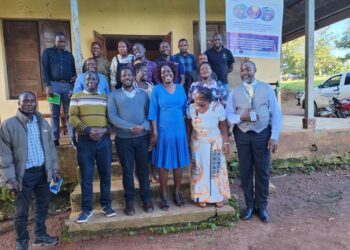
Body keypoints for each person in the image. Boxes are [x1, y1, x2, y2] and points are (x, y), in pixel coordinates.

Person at [0, 91, 60, 249]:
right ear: (19, 104)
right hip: (23, 176)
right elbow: (4, 156)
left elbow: (51, 149)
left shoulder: (42, 123)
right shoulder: (8, 125)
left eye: (32, 101)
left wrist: (53, 169)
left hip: (42, 173)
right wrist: (10, 179)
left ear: (36, 103)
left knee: (42, 206)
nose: (29, 103)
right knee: (21, 213)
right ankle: (22, 244)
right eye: (25, 101)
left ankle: (40, 235)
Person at [226, 61, 282, 223]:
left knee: (262, 170)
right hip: (242, 135)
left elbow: (275, 113)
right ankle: (249, 206)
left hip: (262, 134)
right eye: (242, 70)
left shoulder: (267, 89)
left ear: (255, 70)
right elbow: (228, 115)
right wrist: (240, 118)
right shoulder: (234, 92)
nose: (245, 72)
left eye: (248, 69)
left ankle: (262, 206)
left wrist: (274, 135)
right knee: (245, 171)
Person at [69, 71, 115, 223]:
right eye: (88, 79)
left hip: (104, 141)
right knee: (86, 177)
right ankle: (87, 209)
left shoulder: (105, 98)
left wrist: (102, 130)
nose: (91, 81)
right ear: (84, 80)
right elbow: (72, 117)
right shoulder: (76, 97)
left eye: (94, 79)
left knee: (106, 175)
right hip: (85, 141)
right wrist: (88, 130)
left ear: (98, 81)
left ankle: (106, 205)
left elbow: (111, 120)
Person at [108, 66, 153, 216]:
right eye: (123, 75)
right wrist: (131, 127)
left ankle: (146, 199)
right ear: (120, 78)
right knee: (127, 171)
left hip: (142, 138)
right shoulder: (114, 95)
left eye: (129, 75)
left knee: (143, 170)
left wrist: (144, 127)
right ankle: (130, 202)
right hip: (123, 140)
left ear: (134, 77)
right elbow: (112, 116)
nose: (127, 77)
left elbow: (148, 115)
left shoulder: (143, 95)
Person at [148, 61, 190, 211]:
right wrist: (155, 132)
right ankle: (163, 194)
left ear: (174, 73)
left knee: (178, 164)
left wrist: (188, 131)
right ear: (160, 75)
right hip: (163, 131)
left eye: (169, 71)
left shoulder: (180, 88)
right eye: (163, 72)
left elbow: (186, 110)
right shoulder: (157, 90)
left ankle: (177, 193)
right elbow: (152, 112)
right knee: (164, 165)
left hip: (179, 131)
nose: (167, 74)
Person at [186, 88, 231, 208]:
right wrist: (187, 142)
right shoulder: (191, 108)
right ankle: (201, 196)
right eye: (195, 98)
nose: (197, 102)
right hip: (197, 144)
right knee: (200, 171)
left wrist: (226, 143)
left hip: (215, 143)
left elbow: (223, 127)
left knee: (215, 170)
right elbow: (188, 127)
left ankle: (218, 197)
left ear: (208, 100)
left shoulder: (217, 108)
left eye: (200, 99)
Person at [42, 32, 76, 146]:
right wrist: (48, 85)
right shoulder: (48, 53)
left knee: (69, 112)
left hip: (67, 86)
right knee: (54, 113)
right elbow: (45, 70)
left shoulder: (69, 55)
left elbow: (73, 70)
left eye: (63, 42)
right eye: (59, 41)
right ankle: (55, 138)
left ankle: (72, 137)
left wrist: (74, 77)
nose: (61, 44)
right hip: (54, 86)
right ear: (54, 41)